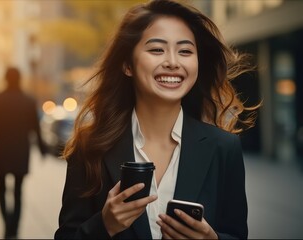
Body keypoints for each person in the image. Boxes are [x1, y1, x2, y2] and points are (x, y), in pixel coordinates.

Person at [54, 0, 259, 239]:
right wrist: (105, 224)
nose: (173, 62)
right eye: (156, 50)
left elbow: (236, 234)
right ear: (127, 64)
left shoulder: (224, 147)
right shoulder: (91, 146)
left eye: (185, 51)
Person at [0, 66, 47, 239]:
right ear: (20, 79)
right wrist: (43, 149)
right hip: (21, 151)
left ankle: (6, 225)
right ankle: (14, 229)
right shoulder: (28, 101)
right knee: (19, 191)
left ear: (5, 79)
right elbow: (35, 128)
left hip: (0, 151)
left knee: (0, 189)